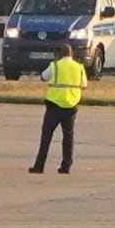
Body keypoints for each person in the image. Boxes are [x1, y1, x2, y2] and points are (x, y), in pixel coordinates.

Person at [30, 43, 87, 174]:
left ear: (59, 54)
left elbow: (44, 77)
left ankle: (39, 166)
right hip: (71, 105)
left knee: (46, 136)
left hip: (54, 106)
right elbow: (84, 85)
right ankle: (66, 166)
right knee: (68, 136)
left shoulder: (55, 65)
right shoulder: (79, 68)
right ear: (71, 53)